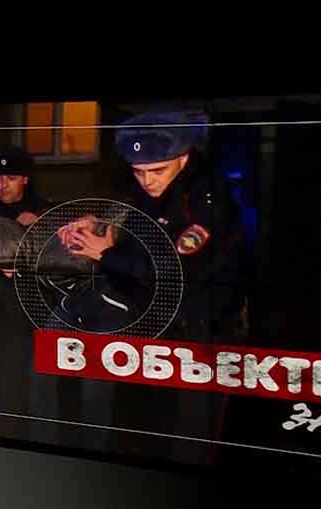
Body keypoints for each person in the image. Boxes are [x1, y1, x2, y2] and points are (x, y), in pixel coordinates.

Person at [58, 110, 248, 342]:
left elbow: (177, 274)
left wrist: (106, 254)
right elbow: (140, 243)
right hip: (149, 318)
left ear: (183, 158)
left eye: (158, 170)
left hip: (198, 330)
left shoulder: (205, 200)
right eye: (138, 172)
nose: (148, 181)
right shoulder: (150, 192)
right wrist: (98, 229)